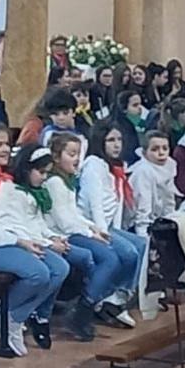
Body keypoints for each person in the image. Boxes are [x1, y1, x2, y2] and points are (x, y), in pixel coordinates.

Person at [0, 123, 70, 357]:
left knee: (59, 267)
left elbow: (13, 219)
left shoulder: (5, 180)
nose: (5, 148)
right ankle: (10, 315)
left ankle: (11, 313)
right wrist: (19, 243)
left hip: (10, 241)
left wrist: (30, 240)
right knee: (38, 273)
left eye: (7, 143)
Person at [47, 130, 140, 336]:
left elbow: (74, 215)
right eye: (71, 154)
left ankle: (89, 305)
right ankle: (85, 307)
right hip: (61, 235)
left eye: (78, 153)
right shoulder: (54, 182)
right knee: (109, 258)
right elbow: (63, 222)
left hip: (74, 230)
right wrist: (91, 233)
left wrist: (92, 227)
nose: (76, 159)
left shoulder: (66, 180)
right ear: (56, 157)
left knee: (122, 253)